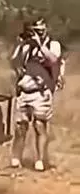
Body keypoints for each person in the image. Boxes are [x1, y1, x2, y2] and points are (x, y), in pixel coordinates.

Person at [10, 18, 62, 172]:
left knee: (40, 126)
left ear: (46, 29)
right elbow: (14, 62)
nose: (37, 33)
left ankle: (39, 160)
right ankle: (16, 158)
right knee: (20, 127)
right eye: (35, 30)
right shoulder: (26, 46)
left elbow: (53, 60)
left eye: (40, 30)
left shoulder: (53, 45)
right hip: (24, 91)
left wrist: (39, 44)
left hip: (41, 92)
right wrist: (20, 45)